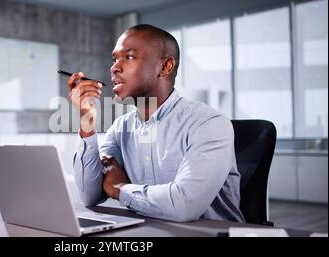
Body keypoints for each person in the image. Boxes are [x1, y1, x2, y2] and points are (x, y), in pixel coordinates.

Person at [67, 24, 245, 223]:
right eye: (114, 59)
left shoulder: (207, 124)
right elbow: (90, 196)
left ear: (165, 66)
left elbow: (184, 205)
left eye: (129, 57)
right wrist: (87, 121)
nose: (114, 67)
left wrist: (121, 190)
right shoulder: (120, 128)